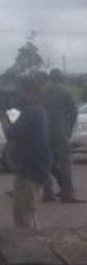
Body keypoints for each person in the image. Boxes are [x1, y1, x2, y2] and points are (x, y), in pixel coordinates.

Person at [0, 77, 51, 228]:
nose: (17, 96)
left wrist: (3, 120)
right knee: (28, 213)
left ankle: (31, 247)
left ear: (29, 93)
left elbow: (11, 134)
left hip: (30, 171)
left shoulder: (31, 112)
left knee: (23, 217)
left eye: (19, 92)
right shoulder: (38, 111)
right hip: (35, 168)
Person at [40, 68, 83, 203]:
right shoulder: (66, 91)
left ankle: (48, 192)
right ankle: (67, 193)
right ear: (60, 77)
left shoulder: (42, 91)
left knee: (46, 162)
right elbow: (74, 112)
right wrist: (69, 128)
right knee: (65, 163)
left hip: (44, 130)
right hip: (61, 131)